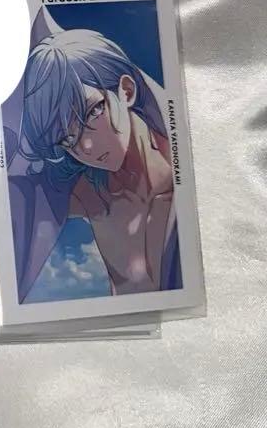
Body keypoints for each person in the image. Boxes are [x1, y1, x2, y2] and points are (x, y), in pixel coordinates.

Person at [14, 27, 179, 299]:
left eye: (92, 112)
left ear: (126, 90)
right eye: (67, 138)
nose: (86, 147)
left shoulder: (186, 172)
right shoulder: (88, 195)